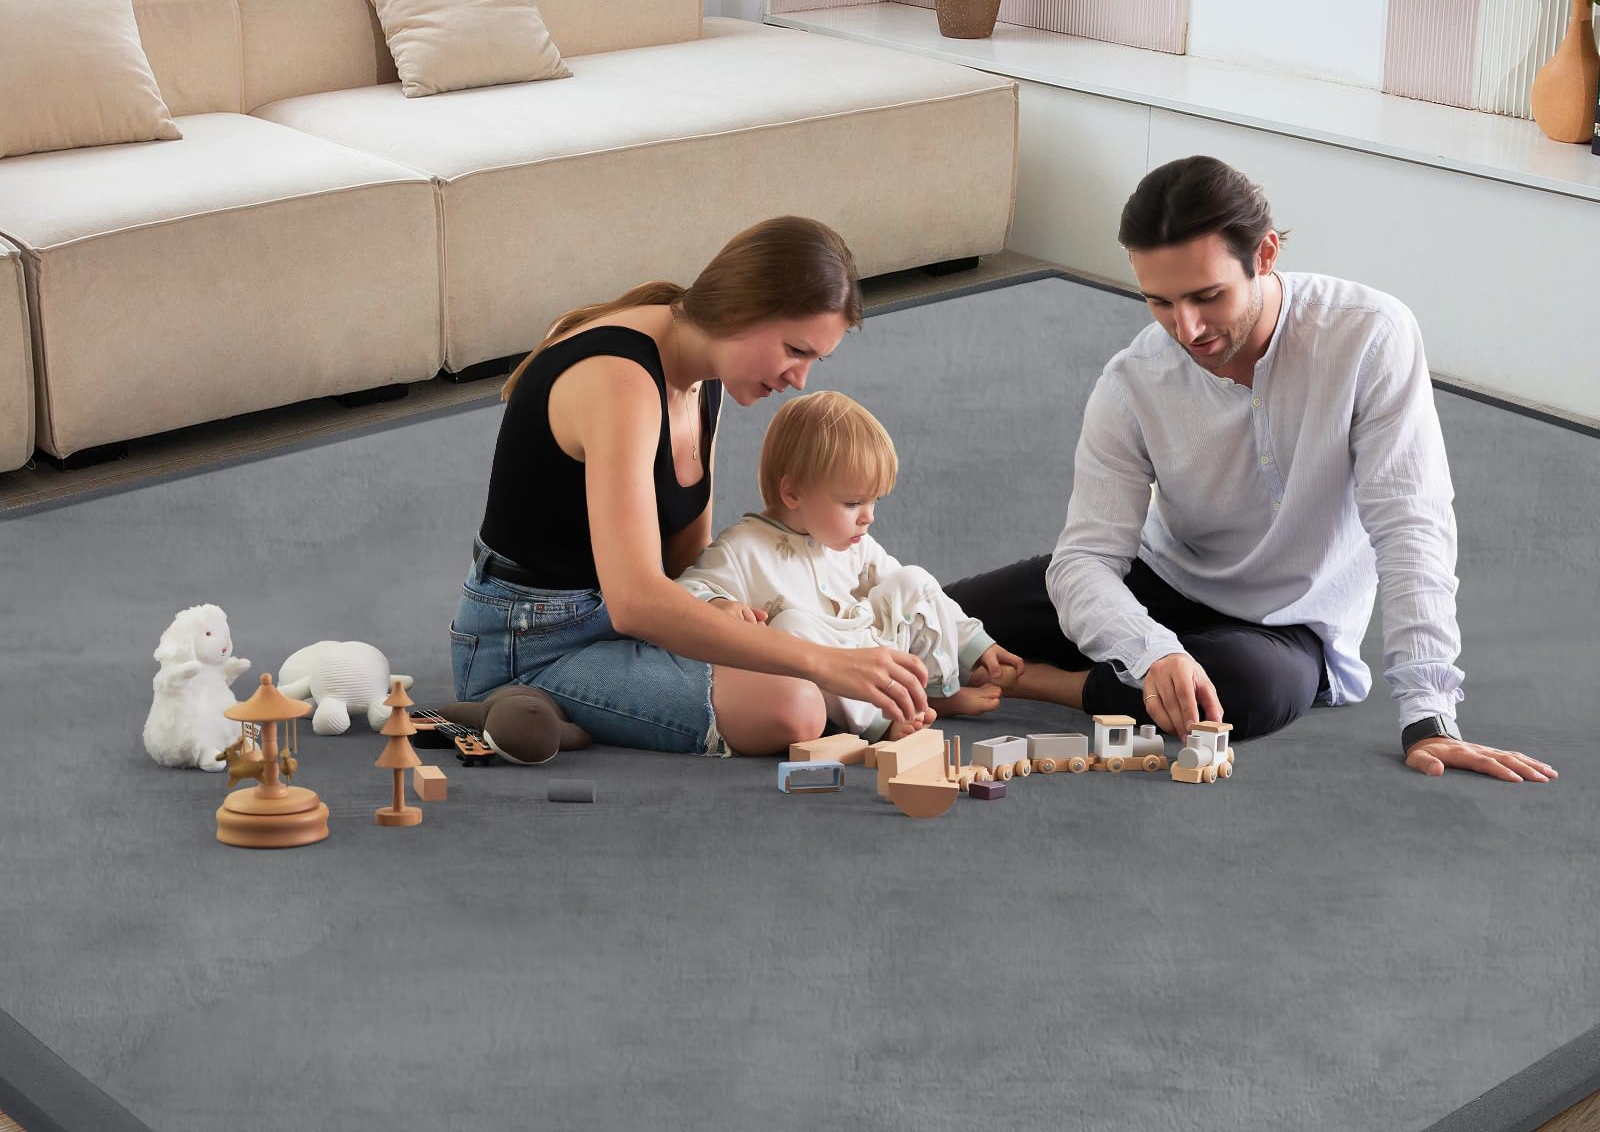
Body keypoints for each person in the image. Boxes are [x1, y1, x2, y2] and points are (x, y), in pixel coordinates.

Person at [947, 156, 1558, 785]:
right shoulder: (1132, 381)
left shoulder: (1371, 337)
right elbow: (1085, 560)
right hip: (1160, 578)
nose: (1186, 328)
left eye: (1207, 296)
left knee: (1239, 689)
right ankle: (1129, 672)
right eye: (1160, 302)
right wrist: (1150, 649)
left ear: (1264, 255)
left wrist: (1428, 715)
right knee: (934, 617)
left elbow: (1411, 525)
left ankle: (1045, 683)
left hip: (1285, 627)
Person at [451, 215, 930, 757]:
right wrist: (825, 661)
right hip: (532, 642)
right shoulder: (621, 380)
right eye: (795, 350)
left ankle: (555, 716)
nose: (800, 379)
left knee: (802, 656)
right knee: (796, 705)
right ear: (737, 312)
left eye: (814, 359)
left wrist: (724, 605)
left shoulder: (704, 376)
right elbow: (638, 602)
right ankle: (514, 699)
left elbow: (683, 567)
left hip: (623, 624)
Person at [674, 390, 1025, 742]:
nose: (868, 517)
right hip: (823, 672)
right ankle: (880, 721)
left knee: (913, 579)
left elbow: (925, 596)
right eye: (853, 503)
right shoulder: (743, 548)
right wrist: (719, 604)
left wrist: (977, 645)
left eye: (873, 502)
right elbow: (684, 594)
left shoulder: (857, 544)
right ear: (792, 493)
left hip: (871, 653)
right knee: (792, 625)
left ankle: (934, 691)